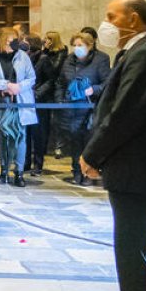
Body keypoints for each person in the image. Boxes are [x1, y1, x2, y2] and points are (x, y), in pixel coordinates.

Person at [81, 0, 146, 291]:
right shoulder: (139, 52)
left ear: (133, 19)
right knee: (140, 253)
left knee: (132, 256)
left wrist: (92, 155)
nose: (106, 23)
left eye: (112, 16)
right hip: (136, 168)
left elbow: (125, 114)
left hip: (140, 169)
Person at [56, 32, 112, 185]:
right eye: (74, 45)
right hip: (71, 108)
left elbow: (107, 82)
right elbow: (61, 82)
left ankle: (88, 173)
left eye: (80, 45)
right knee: (75, 142)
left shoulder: (101, 59)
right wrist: (60, 100)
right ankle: (76, 172)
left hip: (90, 109)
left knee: (88, 142)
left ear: (89, 45)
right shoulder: (69, 60)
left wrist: (93, 89)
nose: (76, 48)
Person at [0, 27, 37, 187]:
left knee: (20, 136)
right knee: (3, 137)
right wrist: (6, 85)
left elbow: (31, 78)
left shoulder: (23, 56)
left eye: (15, 39)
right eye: (10, 39)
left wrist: (18, 87)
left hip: (20, 101)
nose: (12, 42)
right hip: (1, 102)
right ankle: (3, 171)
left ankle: (19, 172)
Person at [30, 31, 68, 176]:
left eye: (49, 39)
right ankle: (29, 162)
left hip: (47, 96)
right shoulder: (40, 55)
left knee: (42, 130)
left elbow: (54, 73)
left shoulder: (59, 53)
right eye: (45, 39)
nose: (46, 41)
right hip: (36, 95)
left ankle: (39, 163)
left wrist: (38, 93)